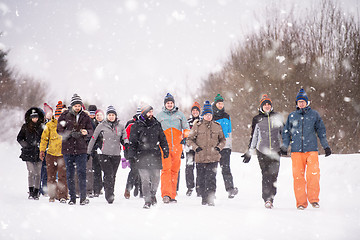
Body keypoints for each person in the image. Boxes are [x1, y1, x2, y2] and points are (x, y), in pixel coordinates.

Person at [281, 88, 331, 210]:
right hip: (296, 151)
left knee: (313, 175)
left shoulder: (314, 115)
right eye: (299, 102)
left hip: (311, 150)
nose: (301, 103)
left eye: (303, 101)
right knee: (298, 177)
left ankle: (314, 200)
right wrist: (284, 146)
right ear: (296, 103)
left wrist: (326, 146)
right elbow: (286, 133)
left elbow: (321, 131)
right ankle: (301, 203)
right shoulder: (292, 116)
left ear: (307, 102)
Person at [242, 94, 283, 209]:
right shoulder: (257, 119)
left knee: (274, 175)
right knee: (266, 174)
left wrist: (284, 146)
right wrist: (250, 151)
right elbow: (254, 136)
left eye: (268, 104)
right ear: (261, 106)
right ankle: (267, 199)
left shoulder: (277, 117)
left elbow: (283, 132)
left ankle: (272, 196)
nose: (267, 106)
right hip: (262, 151)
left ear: (271, 106)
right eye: (264, 104)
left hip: (275, 150)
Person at [128, 103, 169, 209]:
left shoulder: (156, 124)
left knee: (155, 178)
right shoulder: (136, 126)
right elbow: (132, 142)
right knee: (145, 179)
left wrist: (165, 150)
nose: (151, 113)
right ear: (144, 113)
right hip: (141, 155)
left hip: (155, 154)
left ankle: (153, 195)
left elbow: (162, 138)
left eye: (152, 111)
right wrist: (131, 155)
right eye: (149, 112)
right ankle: (147, 200)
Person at [57, 93, 94, 205]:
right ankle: (72, 198)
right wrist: (69, 134)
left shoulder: (85, 116)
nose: (77, 108)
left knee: (82, 173)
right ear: (72, 106)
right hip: (68, 149)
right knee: (70, 173)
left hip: (81, 149)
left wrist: (86, 132)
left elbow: (91, 130)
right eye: (75, 106)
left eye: (79, 106)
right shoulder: (64, 115)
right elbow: (59, 130)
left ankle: (83, 197)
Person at [187, 101, 226, 206]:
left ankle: (211, 198)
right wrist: (196, 148)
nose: (208, 117)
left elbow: (223, 140)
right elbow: (189, 140)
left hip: (214, 157)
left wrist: (218, 148)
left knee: (211, 178)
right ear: (203, 115)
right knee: (201, 179)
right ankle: (204, 197)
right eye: (206, 115)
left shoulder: (217, 126)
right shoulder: (197, 126)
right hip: (200, 157)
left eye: (210, 115)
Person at [87, 106, 128, 204]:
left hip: (116, 155)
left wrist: (126, 144)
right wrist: (88, 152)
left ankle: (110, 190)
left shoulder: (121, 126)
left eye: (113, 115)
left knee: (113, 175)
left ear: (115, 116)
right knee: (108, 174)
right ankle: (109, 195)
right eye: (109, 115)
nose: (111, 117)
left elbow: (125, 137)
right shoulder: (101, 126)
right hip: (104, 154)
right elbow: (93, 138)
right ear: (107, 116)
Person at [156, 93, 190, 203]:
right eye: (167, 103)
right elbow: (155, 130)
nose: (169, 105)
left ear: (174, 104)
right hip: (164, 147)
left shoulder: (180, 115)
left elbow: (186, 128)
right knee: (166, 170)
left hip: (177, 146)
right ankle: (165, 194)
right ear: (165, 104)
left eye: (171, 103)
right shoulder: (160, 116)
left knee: (175, 171)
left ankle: (172, 195)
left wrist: (185, 137)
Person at [40, 101, 68, 203]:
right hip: (51, 154)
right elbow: (44, 139)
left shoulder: (66, 125)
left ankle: (63, 196)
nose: (58, 117)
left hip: (63, 154)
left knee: (62, 176)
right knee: (50, 176)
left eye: (60, 115)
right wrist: (42, 150)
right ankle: (52, 196)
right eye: (57, 115)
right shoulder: (49, 125)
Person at [212, 94, 238, 198]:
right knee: (212, 170)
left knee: (226, 169)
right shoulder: (211, 116)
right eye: (219, 103)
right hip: (214, 147)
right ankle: (211, 192)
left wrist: (230, 146)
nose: (220, 105)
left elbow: (229, 132)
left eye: (222, 103)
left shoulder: (227, 116)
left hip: (225, 147)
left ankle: (230, 189)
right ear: (215, 104)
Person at [17, 107, 45, 200]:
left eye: (36, 117)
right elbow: (19, 138)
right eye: (33, 117)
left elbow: (45, 138)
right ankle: (31, 191)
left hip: (39, 152)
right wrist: (25, 145)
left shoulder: (42, 127)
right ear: (30, 118)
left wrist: (42, 145)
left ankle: (36, 192)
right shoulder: (25, 127)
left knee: (38, 173)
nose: (35, 119)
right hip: (28, 153)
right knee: (31, 172)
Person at [123, 106, 143, 199]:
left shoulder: (146, 123)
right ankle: (128, 188)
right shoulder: (131, 124)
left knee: (143, 170)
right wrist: (126, 149)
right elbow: (125, 137)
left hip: (143, 150)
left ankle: (142, 190)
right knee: (134, 170)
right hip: (132, 150)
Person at [184, 101, 201, 196]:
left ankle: (199, 188)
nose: (195, 112)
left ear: (199, 111)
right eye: (193, 110)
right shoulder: (188, 122)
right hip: (190, 148)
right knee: (189, 167)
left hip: (199, 148)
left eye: (196, 110)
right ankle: (190, 187)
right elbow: (186, 134)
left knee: (200, 168)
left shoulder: (202, 121)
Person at [90, 109, 105, 197]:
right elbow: (93, 138)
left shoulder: (106, 125)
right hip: (96, 151)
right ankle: (97, 189)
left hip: (106, 150)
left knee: (107, 171)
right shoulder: (93, 125)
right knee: (97, 171)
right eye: (97, 115)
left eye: (100, 115)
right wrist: (96, 147)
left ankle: (103, 186)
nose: (99, 116)